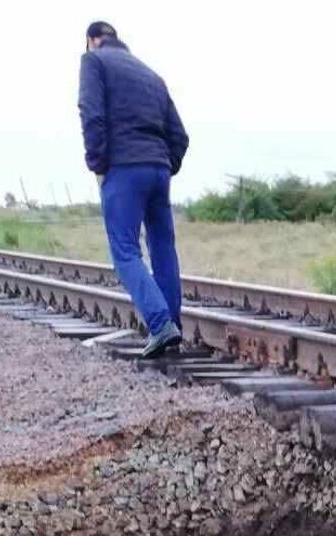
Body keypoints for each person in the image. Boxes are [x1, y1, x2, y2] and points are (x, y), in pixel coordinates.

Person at [77, 21, 189, 359]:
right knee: (162, 248)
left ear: (92, 40)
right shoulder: (151, 75)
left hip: (123, 169)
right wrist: (166, 164)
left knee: (125, 250)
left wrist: (98, 162)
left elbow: (91, 113)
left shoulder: (93, 61)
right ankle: (173, 325)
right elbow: (180, 135)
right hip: (158, 170)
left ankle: (160, 324)